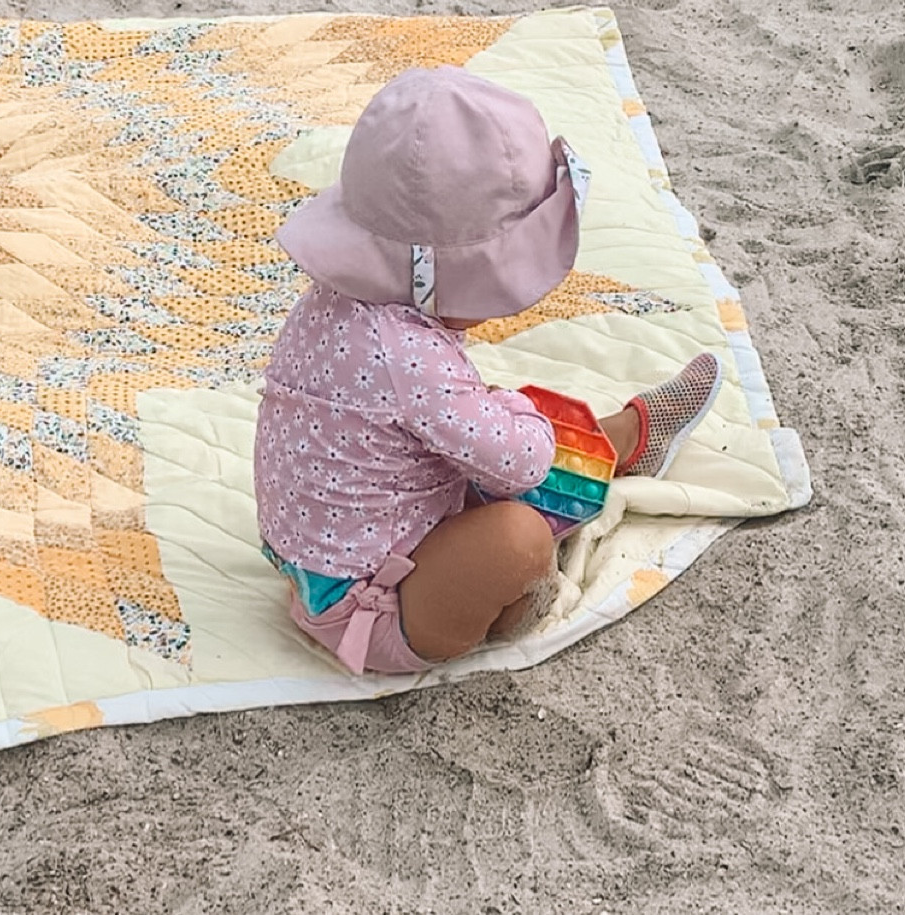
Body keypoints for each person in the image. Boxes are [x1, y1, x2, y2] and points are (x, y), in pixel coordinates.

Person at [254, 66, 721, 675]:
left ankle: (620, 440)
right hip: (375, 609)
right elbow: (521, 461)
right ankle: (519, 592)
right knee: (516, 535)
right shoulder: (411, 361)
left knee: (484, 426)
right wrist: (516, 408)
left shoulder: (328, 303)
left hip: (318, 561)